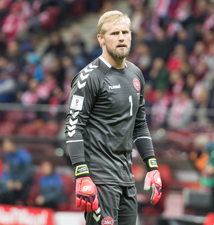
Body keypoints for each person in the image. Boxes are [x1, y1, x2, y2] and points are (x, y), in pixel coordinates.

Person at [65, 10, 162, 225]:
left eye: (125, 32)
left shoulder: (136, 74)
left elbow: (139, 125)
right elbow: (73, 127)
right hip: (99, 180)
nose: (121, 38)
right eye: (114, 33)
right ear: (100, 39)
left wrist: (152, 167)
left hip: (127, 179)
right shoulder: (89, 77)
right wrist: (82, 174)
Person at [2, 138, 33, 205]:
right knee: (4, 193)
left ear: (12, 144)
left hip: (25, 182)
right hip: (14, 182)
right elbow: (9, 170)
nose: (4, 147)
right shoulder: (8, 155)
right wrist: (9, 180)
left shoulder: (23, 155)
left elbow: (28, 171)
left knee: (23, 198)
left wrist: (21, 181)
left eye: (5, 145)